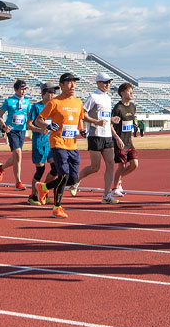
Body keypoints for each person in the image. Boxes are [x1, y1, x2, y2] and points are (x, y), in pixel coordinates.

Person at [34, 72, 102, 218]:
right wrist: (49, 125)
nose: (73, 85)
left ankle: (44, 187)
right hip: (58, 142)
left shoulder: (78, 102)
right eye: (69, 83)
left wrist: (82, 130)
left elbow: (79, 119)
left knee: (72, 179)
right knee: (63, 173)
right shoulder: (55, 102)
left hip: (72, 145)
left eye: (74, 83)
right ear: (61, 85)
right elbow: (38, 120)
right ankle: (57, 207)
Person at [76, 73, 120, 203]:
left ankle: (106, 195)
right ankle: (76, 180)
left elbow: (104, 116)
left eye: (109, 82)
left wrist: (112, 119)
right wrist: (96, 122)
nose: (107, 85)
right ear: (98, 83)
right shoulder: (93, 97)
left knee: (111, 165)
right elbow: (82, 115)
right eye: (104, 82)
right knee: (95, 167)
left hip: (107, 136)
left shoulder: (108, 98)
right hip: (95, 135)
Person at [26, 82, 58, 205]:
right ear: (43, 93)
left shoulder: (54, 107)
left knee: (55, 168)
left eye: (54, 92)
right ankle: (33, 195)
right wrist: (40, 129)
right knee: (40, 170)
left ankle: (43, 189)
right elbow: (28, 124)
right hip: (39, 142)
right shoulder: (36, 107)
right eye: (50, 92)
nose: (52, 95)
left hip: (52, 143)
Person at [0, 79, 32, 191]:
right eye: (21, 89)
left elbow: (30, 116)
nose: (23, 92)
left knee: (16, 156)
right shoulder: (9, 101)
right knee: (17, 153)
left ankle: (2, 167)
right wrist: (4, 126)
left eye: (25, 89)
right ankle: (18, 182)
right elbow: (0, 116)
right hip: (11, 130)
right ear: (16, 89)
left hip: (22, 130)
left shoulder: (27, 102)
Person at [111, 82, 141, 197]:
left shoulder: (133, 106)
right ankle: (114, 189)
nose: (131, 93)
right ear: (122, 93)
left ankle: (118, 181)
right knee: (121, 166)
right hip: (120, 142)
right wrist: (117, 138)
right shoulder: (118, 108)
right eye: (129, 91)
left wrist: (135, 125)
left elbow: (133, 119)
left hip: (129, 141)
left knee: (134, 164)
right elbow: (111, 125)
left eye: (132, 90)